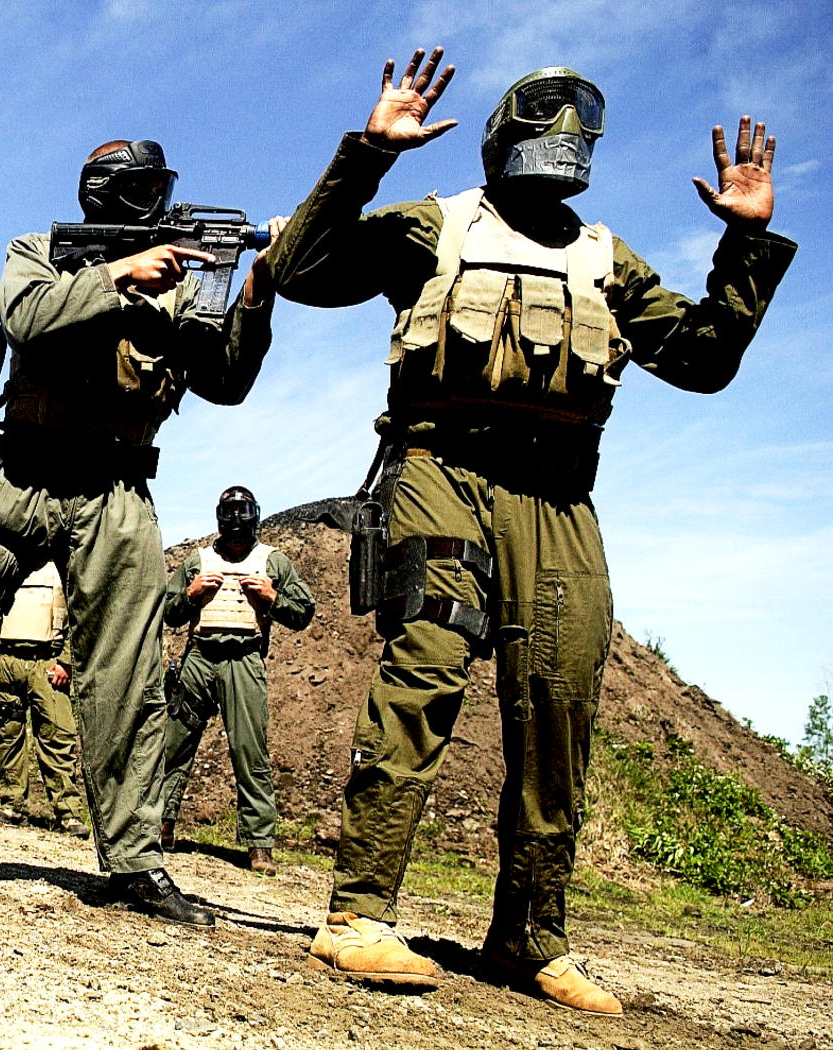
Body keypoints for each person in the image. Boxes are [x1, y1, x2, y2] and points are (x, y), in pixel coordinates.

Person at [267, 49, 795, 1013]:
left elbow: (703, 360)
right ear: (504, 137)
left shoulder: (604, 258)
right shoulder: (436, 225)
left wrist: (745, 244)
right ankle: (358, 914)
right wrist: (367, 155)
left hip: (560, 500)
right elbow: (297, 270)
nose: (568, 139)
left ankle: (528, 935)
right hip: (441, 471)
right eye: (549, 119)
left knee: (559, 703)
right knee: (426, 669)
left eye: (582, 126)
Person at [0, 139, 279, 928]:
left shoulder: (182, 281)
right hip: (19, 479)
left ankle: (135, 861)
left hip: (116, 489)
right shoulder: (37, 251)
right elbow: (26, 317)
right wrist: (118, 276)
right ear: (101, 191)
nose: (153, 199)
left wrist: (254, 292)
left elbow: (225, 381)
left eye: (160, 185)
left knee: (129, 677)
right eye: (139, 186)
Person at [160, 486, 314, 874]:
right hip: (199, 658)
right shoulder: (198, 561)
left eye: (241, 511)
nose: (235, 519)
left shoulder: (273, 561)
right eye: (229, 511)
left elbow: (304, 612)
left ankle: (259, 844)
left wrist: (273, 597)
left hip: (245, 660)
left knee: (249, 751)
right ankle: (159, 824)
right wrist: (191, 594)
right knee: (173, 743)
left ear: (254, 515)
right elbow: (168, 611)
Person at [0, 562, 88, 837]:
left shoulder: (65, 562)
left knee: (57, 737)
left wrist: (67, 661)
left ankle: (68, 814)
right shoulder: (2, 561)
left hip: (48, 663)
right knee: (8, 735)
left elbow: (81, 613)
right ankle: (11, 805)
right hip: (5, 660)